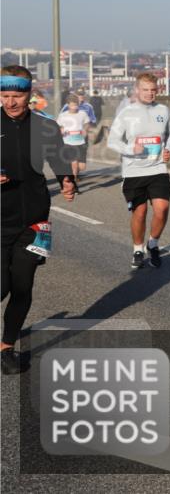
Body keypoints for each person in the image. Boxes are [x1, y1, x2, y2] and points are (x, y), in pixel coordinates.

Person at [1, 65, 76, 375]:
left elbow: (58, 158)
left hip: (35, 221)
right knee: (1, 286)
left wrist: (67, 180)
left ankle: (6, 347)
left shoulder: (46, 126)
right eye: (4, 95)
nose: (10, 102)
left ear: (29, 94)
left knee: (23, 286)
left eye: (17, 96)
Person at [107, 73, 170, 269]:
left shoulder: (163, 110)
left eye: (153, 90)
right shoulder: (127, 113)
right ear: (137, 90)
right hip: (133, 172)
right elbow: (112, 141)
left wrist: (168, 149)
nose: (149, 93)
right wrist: (131, 149)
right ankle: (138, 249)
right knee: (140, 212)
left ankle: (153, 244)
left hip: (158, 168)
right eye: (145, 90)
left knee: (162, 209)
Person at [56, 94, 91, 186]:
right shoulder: (63, 115)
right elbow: (58, 126)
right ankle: (74, 183)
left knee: (82, 167)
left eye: (76, 105)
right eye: (72, 105)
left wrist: (85, 130)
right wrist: (61, 130)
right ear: (68, 105)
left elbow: (87, 123)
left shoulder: (83, 114)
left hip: (81, 141)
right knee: (74, 163)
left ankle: (75, 174)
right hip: (68, 142)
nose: (74, 107)